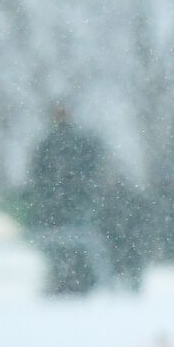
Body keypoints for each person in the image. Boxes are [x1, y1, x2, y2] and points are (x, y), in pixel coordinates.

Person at [23, 103, 110, 295]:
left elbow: (39, 175)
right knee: (71, 247)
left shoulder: (53, 144)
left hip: (61, 207)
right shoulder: (73, 143)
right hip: (68, 206)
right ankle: (71, 280)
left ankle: (68, 280)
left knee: (65, 248)